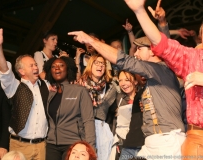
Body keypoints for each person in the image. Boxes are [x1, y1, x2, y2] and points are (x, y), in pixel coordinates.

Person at [68, 17, 186, 160]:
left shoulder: (159, 70)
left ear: (153, 52)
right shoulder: (154, 77)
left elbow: (124, 60)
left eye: (139, 49)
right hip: (153, 141)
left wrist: (92, 41)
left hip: (166, 140)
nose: (135, 54)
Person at [122, 0, 203, 159]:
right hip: (197, 138)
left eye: (140, 49)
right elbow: (164, 47)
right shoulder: (193, 58)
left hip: (169, 138)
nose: (137, 54)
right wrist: (140, 12)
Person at [0, 26, 49, 160]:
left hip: (42, 145)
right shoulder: (14, 86)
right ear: (22, 72)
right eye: (31, 65)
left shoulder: (45, 85)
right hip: (20, 145)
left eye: (36, 64)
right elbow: (4, 70)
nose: (36, 67)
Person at [43, 56, 95, 160]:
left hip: (73, 145)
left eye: (61, 65)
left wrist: (91, 149)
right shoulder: (50, 93)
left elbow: (88, 121)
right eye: (53, 66)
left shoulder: (80, 91)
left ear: (68, 69)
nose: (57, 68)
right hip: (51, 145)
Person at [77, 54, 118, 160]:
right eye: (97, 63)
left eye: (103, 64)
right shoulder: (80, 85)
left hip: (103, 128)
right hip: (84, 128)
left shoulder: (111, 87)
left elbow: (115, 108)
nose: (100, 66)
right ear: (90, 65)